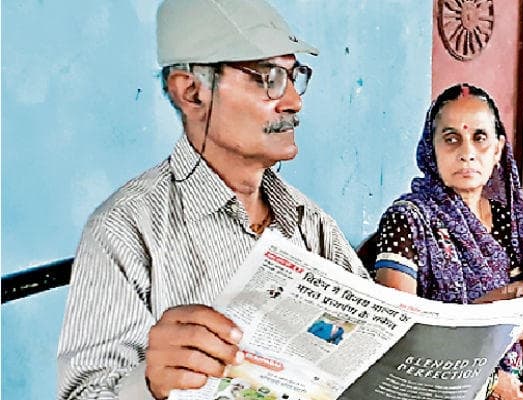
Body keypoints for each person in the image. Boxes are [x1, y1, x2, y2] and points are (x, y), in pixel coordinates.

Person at [57, 1, 368, 399]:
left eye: (294, 77)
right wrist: (149, 386)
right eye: (270, 78)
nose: (294, 101)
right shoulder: (126, 228)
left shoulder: (310, 222)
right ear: (191, 92)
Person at [374, 84, 523, 399]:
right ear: (430, 148)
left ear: (498, 149)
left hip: (521, 374)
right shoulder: (407, 220)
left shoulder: (508, 222)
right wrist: (491, 382)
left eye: (480, 138)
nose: (467, 152)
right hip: (449, 379)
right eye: (451, 139)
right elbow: (401, 331)